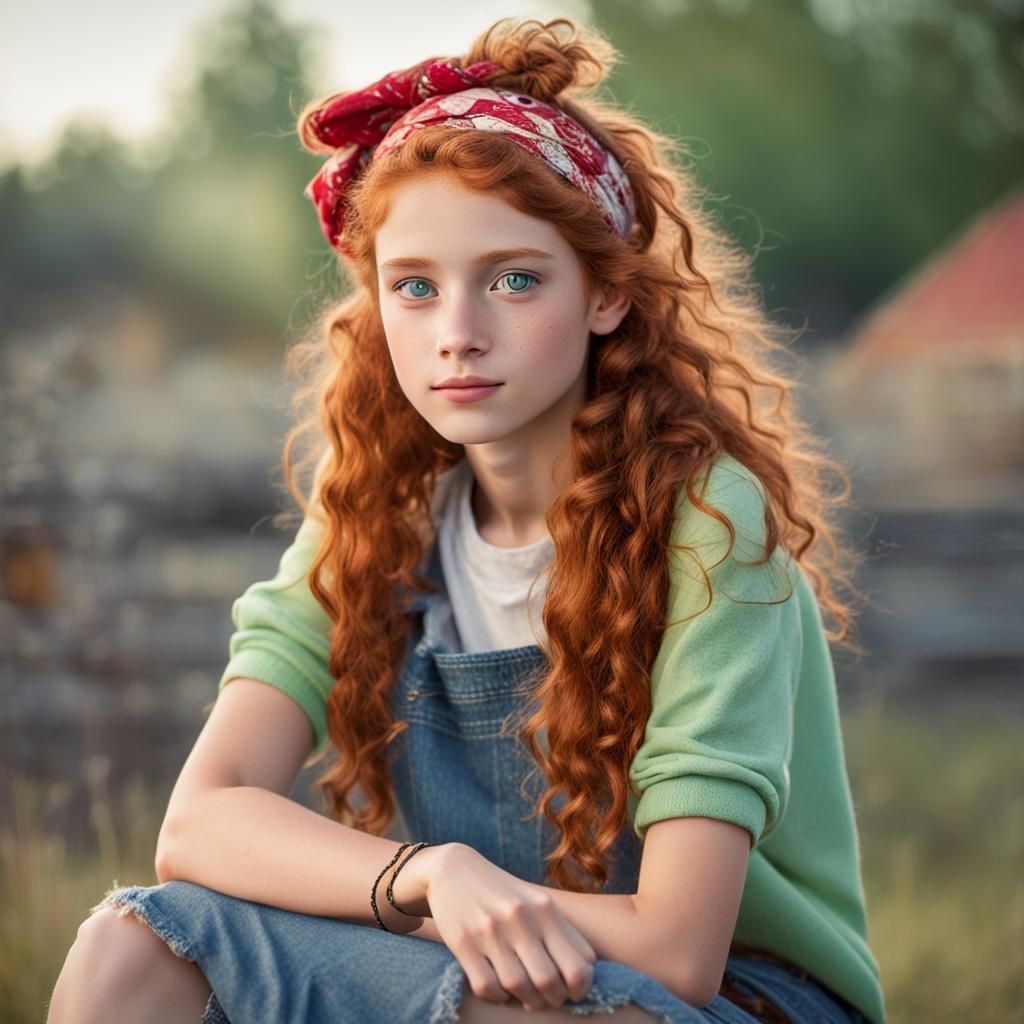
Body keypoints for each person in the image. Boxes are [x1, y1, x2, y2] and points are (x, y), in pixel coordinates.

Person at [47, 16, 886, 1024]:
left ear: (608, 295)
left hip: (736, 997)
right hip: (483, 963)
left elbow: (676, 948)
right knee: (135, 945)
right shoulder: (375, 522)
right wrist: (430, 873)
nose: (458, 335)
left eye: (514, 279)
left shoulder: (706, 520)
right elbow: (198, 824)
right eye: (415, 287)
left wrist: (439, 912)